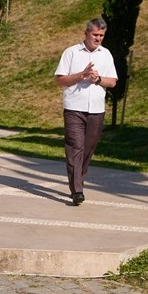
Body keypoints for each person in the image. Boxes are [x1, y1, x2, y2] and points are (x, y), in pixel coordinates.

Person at [55, 18, 117, 205]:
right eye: (95, 35)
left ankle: (77, 183)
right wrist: (80, 75)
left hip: (97, 110)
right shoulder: (71, 53)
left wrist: (98, 79)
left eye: (101, 36)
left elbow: (113, 82)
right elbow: (60, 80)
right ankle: (77, 191)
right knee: (75, 147)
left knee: (88, 150)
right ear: (86, 33)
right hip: (74, 108)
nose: (98, 39)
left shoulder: (106, 54)